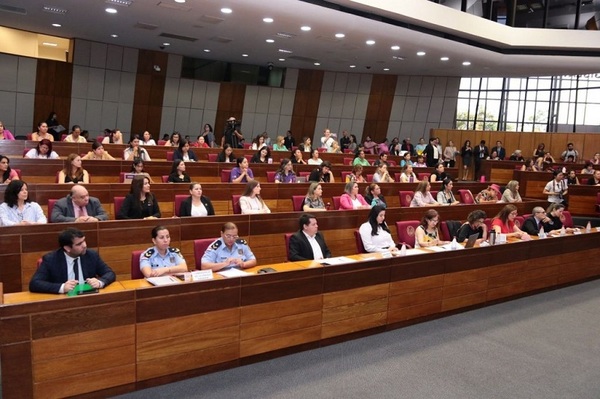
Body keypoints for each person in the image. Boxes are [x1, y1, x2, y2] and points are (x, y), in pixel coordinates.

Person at [29, 228, 115, 294]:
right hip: (63, 302)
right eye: (79, 244)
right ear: (67, 248)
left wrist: (100, 282)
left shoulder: (91, 255)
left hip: (88, 298)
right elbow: (35, 283)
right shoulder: (51, 259)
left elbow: (110, 273)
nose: (84, 245)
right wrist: (62, 287)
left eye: (84, 241)